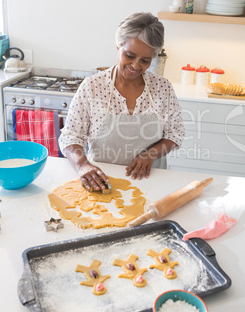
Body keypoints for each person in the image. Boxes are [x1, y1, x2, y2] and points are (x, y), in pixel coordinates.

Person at [59, 12, 185, 191]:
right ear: (118, 46)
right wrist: (82, 165)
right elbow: (70, 136)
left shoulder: (162, 88)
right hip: (102, 181)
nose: (135, 66)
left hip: (152, 181)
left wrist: (150, 155)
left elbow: (175, 133)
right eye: (130, 55)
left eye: (145, 60)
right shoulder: (92, 87)